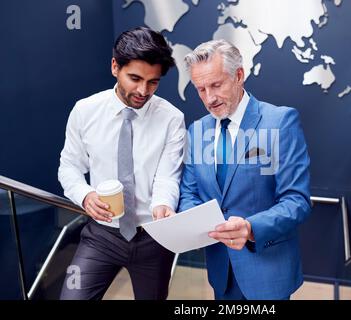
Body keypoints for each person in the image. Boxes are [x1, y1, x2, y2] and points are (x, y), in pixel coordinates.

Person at [58, 27, 185, 300]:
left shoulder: (172, 118)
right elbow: (69, 166)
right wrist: (85, 195)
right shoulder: (85, 111)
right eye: (135, 78)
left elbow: (167, 176)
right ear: (115, 67)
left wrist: (164, 204)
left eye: (153, 82)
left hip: (154, 237)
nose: (143, 91)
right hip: (102, 236)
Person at [179, 39, 311, 300]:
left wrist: (251, 228)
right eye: (201, 89)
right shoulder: (197, 130)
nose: (209, 98)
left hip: (268, 271)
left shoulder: (280, 122)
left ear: (239, 75)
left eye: (216, 85)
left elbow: (297, 201)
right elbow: (189, 194)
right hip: (221, 272)